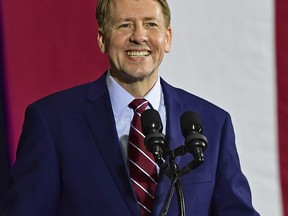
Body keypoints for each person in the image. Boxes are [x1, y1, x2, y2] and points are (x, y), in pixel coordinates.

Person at [5, 0, 260, 215]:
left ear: (167, 38)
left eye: (151, 24)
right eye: (125, 25)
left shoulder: (213, 123)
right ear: (102, 39)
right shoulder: (52, 122)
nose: (139, 36)